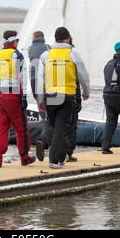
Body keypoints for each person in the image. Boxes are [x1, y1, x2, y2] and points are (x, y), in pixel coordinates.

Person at [37, 27, 90, 169]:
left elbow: (40, 79)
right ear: (67, 39)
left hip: (50, 96)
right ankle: (54, 161)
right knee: (61, 129)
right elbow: (83, 76)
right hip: (66, 96)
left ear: (55, 38)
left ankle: (60, 159)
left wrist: (40, 100)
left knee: (54, 127)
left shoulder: (45, 55)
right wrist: (86, 91)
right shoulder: (73, 54)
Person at [0, 30, 36, 168]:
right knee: (21, 128)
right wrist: (24, 97)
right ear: (14, 41)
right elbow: (22, 77)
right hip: (13, 96)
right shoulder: (17, 55)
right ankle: (25, 157)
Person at [27, 31, 52, 162]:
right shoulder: (48, 47)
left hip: (32, 76)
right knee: (47, 98)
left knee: (38, 98)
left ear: (34, 38)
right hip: (44, 76)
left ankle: (43, 117)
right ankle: (47, 117)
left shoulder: (30, 48)